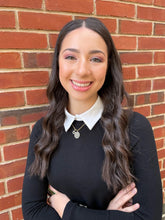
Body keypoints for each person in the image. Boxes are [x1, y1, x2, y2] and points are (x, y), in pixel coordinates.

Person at [22, 17, 162, 220]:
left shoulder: (134, 127)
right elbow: (33, 212)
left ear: (108, 65)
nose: (82, 70)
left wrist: (67, 210)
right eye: (71, 57)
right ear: (58, 62)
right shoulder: (43, 130)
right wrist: (107, 215)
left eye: (96, 59)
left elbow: (148, 217)